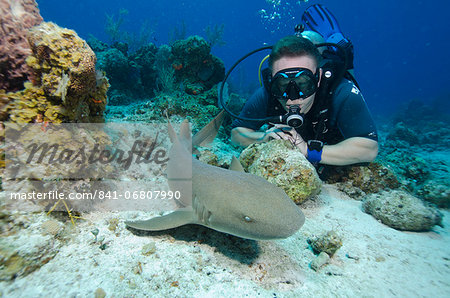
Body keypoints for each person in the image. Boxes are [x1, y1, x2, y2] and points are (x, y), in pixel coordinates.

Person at [231, 4, 378, 174]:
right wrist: (263, 137)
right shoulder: (267, 94)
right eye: (283, 84)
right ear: (272, 81)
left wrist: (310, 152)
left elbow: (369, 148)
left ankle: (337, 44)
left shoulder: (341, 91)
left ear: (319, 78)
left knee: (344, 64)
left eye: (303, 83)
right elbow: (236, 133)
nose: (293, 98)